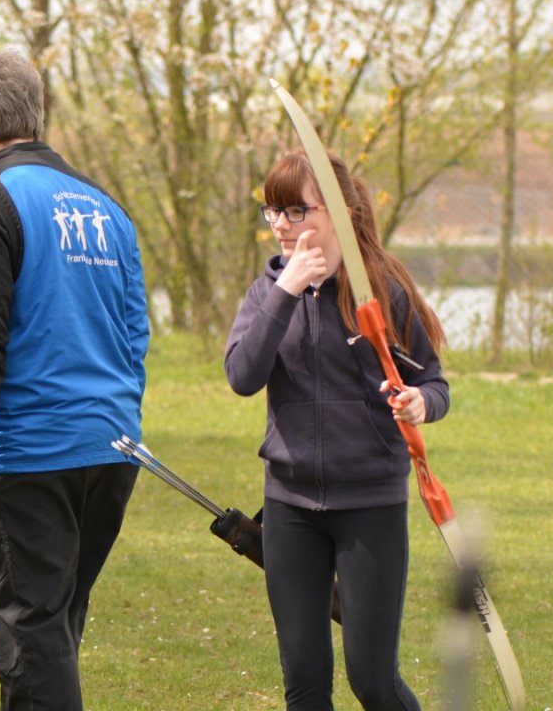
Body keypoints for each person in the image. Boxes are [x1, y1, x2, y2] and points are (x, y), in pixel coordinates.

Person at [0, 49, 149, 711]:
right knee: (53, 635)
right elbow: (135, 336)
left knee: (32, 642)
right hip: (111, 452)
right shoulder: (106, 208)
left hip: (29, 455)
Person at [224, 149, 450, 711]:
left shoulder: (383, 291)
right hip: (290, 510)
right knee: (304, 685)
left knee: (373, 680)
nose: (280, 224)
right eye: (271, 210)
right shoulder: (267, 292)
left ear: (339, 212)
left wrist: (421, 401)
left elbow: (435, 384)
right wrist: (286, 293)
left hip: (369, 506)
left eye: (295, 210)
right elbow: (242, 375)